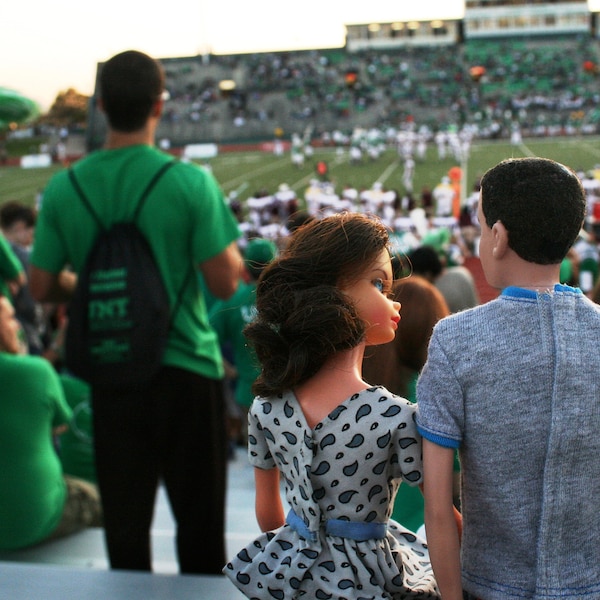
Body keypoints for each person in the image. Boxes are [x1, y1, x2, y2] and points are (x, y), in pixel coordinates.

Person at [29, 50, 243, 574]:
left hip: (113, 368)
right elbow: (222, 278)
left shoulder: (65, 186)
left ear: (101, 106)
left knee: (125, 534)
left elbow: (40, 285)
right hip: (187, 369)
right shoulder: (189, 182)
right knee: (200, 532)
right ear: (158, 105)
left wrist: (92, 283)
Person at [224, 212, 441, 599]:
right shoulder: (395, 416)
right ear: (332, 294)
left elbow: (269, 513)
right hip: (374, 573)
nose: (392, 301)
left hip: (297, 571)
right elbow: (439, 516)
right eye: (377, 283)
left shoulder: (267, 409)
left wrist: (292, 561)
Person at [417, 157, 600, 600]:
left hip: (488, 586)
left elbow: (438, 508)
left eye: (482, 228)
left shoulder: (454, 339)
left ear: (498, 237)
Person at [0, 295, 102, 550]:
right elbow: (59, 426)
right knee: (111, 503)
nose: (18, 326)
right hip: (31, 521)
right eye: (11, 318)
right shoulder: (36, 371)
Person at [362, 275, 458, 536]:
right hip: (424, 537)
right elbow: (458, 478)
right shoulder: (436, 397)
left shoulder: (361, 394)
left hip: (366, 536)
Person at [209, 237, 278, 445]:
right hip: (288, 393)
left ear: (246, 266)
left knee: (259, 464)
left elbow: (205, 338)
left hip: (248, 395)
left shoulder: (232, 300)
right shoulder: (288, 297)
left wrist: (229, 370)